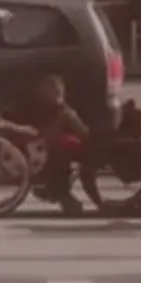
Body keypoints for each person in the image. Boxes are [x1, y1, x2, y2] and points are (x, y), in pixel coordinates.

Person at [21, 75, 89, 216]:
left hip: (64, 154)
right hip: (48, 151)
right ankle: (60, 196)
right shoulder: (48, 111)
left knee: (57, 168)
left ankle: (66, 200)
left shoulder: (67, 114)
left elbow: (83, 134)